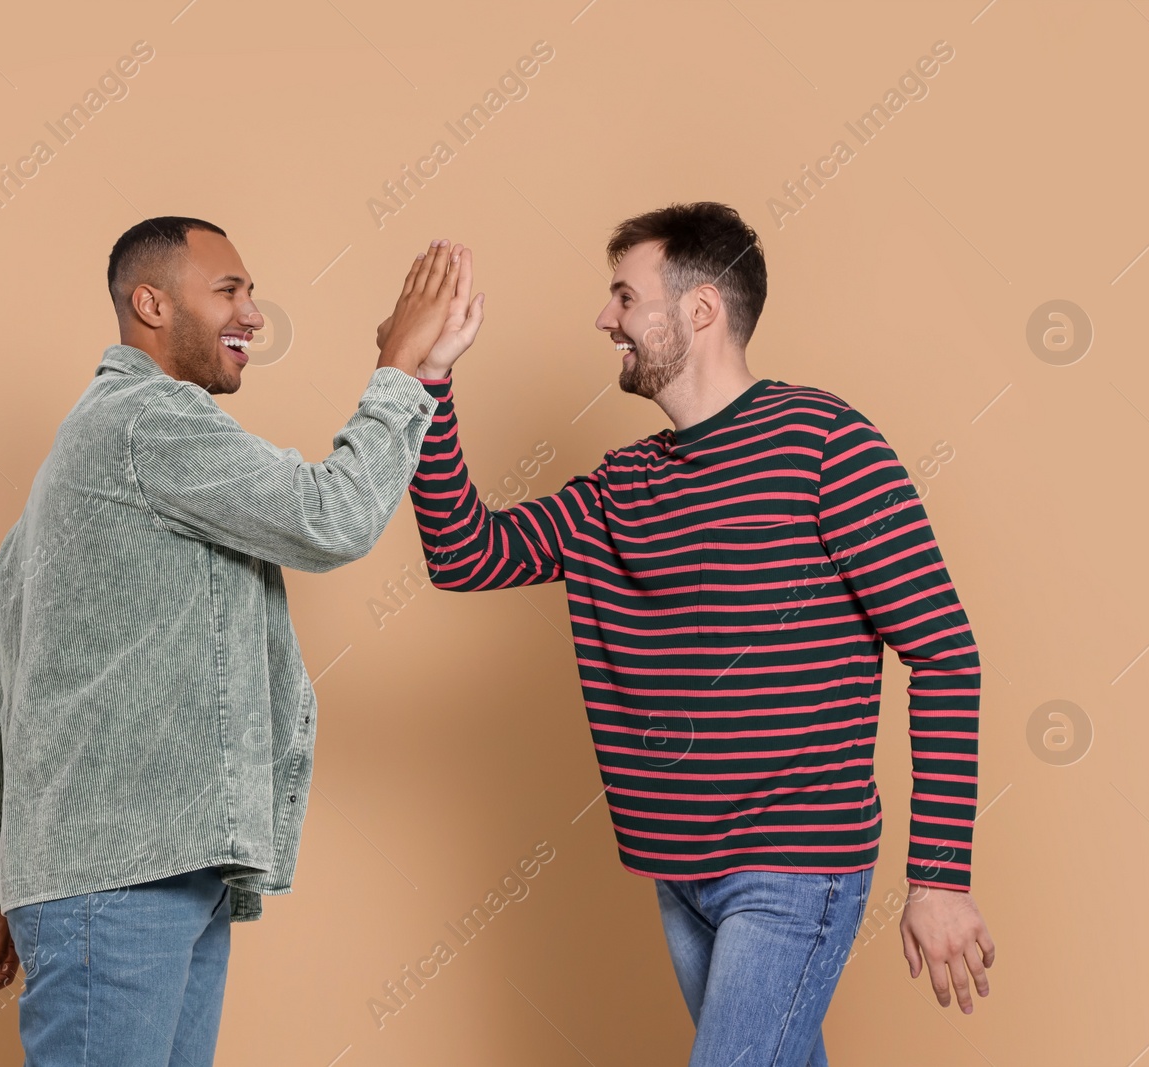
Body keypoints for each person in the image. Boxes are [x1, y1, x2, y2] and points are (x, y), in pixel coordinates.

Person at [399, 203, 995, 1066]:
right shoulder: (623, 485)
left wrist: (938, 876)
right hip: (677, 871)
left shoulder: (827, 444)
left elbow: (943, 653)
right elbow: (465, 552)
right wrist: (426, 382)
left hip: (794, 864)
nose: (605, 319)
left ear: (701, 309)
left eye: (624, 296)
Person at [0, 216, 467, 1065]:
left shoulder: (76, 457)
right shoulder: (148, 423)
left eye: (251, 292)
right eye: (230, 289)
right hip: (116, 883)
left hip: (160, 872)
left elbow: (12, 678)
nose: (254, 314)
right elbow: (328, 516)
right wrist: (402, 372)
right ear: (150, 303)